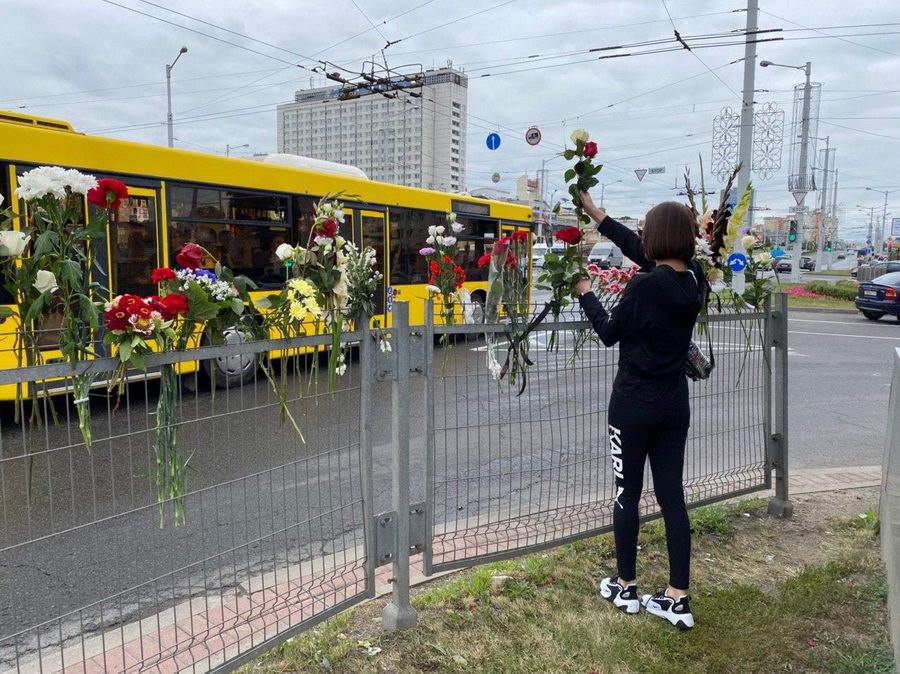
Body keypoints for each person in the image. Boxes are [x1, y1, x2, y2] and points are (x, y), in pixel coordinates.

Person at [574, 190, 707, 631]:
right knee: (672, 497)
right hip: (673, 405)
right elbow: (648, 256)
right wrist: (600, 218)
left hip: (631, 405)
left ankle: (626, 584)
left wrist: (585, 293)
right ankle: (677, 597)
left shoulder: (644, 284)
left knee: (626, 493)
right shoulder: (695, 280)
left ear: (657, 238)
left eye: (646, 231)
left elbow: (610, 332)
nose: (641, 238)